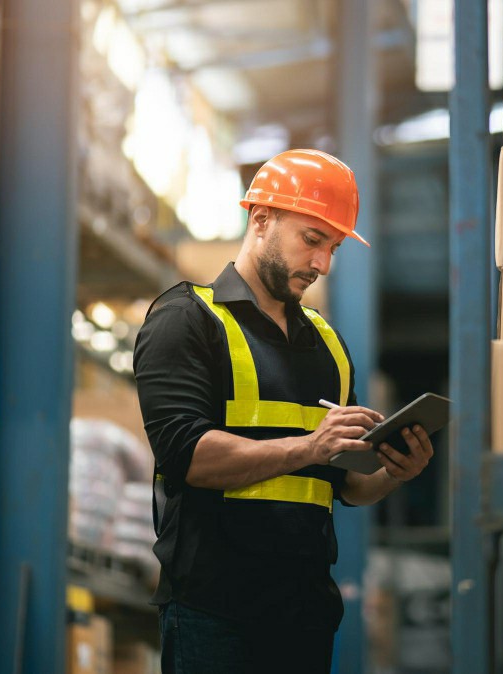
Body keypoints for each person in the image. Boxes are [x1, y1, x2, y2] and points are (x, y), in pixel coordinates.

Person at [133, 149, 434, 673]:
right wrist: (309, 446)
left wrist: (392, 472)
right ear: (261, 220)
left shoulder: (328, 345)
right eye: (311, 239)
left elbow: (345, 484)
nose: (321, 263)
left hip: (304, 614)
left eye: (333, 248)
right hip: (213, 611)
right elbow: (187, 455)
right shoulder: (187, 320)